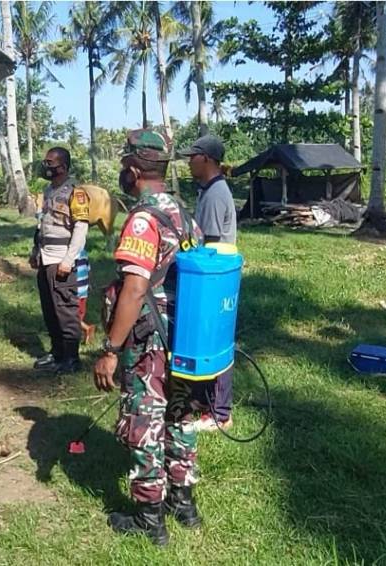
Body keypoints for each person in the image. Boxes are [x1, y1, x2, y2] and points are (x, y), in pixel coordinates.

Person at [92, 129, 204, 546]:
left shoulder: (143, 220)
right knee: (180, 415)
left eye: (124, 165)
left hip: (150, 341)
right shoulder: (183, 213)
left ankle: (149, 517)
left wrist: (110, 349)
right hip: (184, 336)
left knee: (145, 423)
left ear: (134, 170)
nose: (123, 173)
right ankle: (183, 503)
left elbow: (134, 289)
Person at [178, 134, 236, 432]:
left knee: (214, 341)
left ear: (207, 159)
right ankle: (205, 404)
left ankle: (220, 413)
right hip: (213, 276)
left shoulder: (215, 194)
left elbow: (209, 247)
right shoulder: (208, 190)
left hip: (213, 278)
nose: (189, 162)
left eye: (193, 157)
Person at [30, 147, 90, 373]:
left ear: (63, 167)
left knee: (65, 310)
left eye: (50, 163)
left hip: (61, 257)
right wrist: (35, 250)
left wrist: (68, 260)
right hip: (45, 256)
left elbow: (80, 229)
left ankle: (71, 358)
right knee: (50, 309)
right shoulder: (48, 191)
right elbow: (42, 224)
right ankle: (56, 352)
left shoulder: (76, 193)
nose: (46, 167)